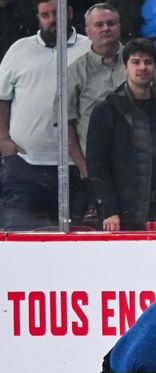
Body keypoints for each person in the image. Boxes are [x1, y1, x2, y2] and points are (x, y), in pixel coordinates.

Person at [65, 2, 156, 218]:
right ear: (88, 32)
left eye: (111, 23)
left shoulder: (141, 61)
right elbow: (66, 126)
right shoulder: (74, 72)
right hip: (95, 174)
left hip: (143, 173)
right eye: (99, 24)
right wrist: (86, 170)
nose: (105, 28)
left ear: (119, 27)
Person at [0, 0, 91, 230]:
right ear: (38, 18)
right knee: (21, 245)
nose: (52, 19)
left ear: (69, 12)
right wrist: (2, 139)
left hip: (77, 168)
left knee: (77, 251)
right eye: (45, 15)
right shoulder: (20, 49)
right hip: (25, 166)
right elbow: (2, 97)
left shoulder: (90, 47)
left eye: (57, 12)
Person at [86, 38, 156, 231]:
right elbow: (97, 165)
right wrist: (108, 209)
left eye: (148, 62)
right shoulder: (107, 110)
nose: (142, 67)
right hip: (123, 215)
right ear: (125, 67)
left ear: (155, 66)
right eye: (136, 62)